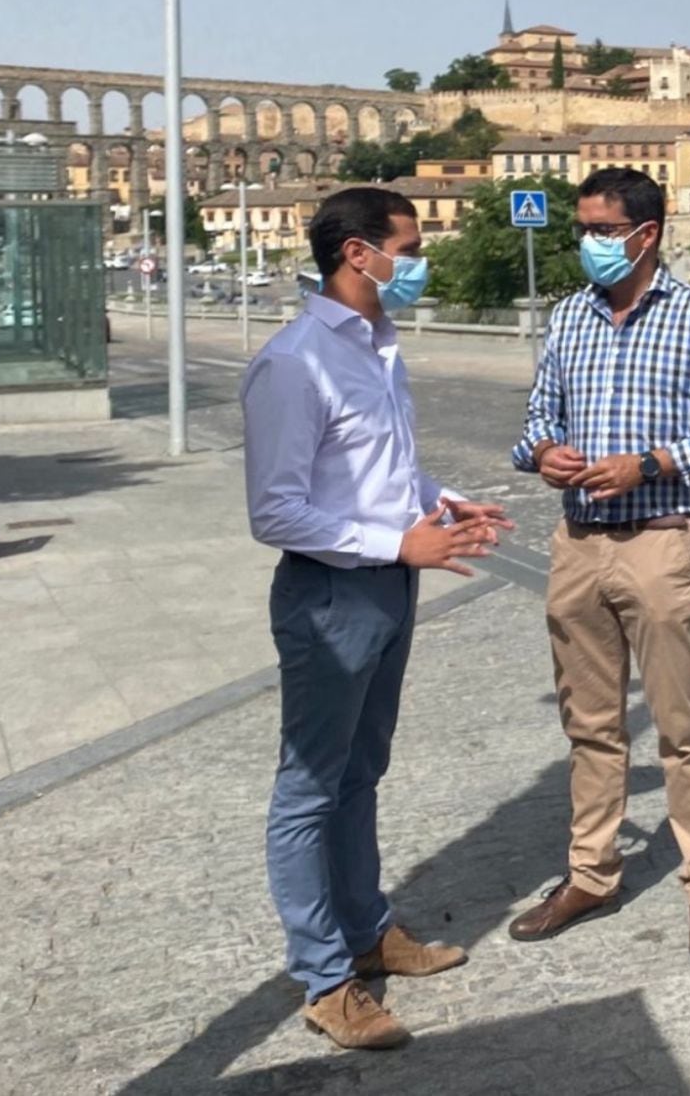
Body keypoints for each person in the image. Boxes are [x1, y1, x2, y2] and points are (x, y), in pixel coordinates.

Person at [241, 186, 512, 1050]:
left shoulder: (379, 349)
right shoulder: (296, 362)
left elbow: (379, 473)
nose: (419, 259)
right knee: (311, 786)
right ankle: (325, 979)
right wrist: (398, 546)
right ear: (359, 254)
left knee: (362, 772)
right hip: (332, 596)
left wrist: (442, 501)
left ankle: (369, 934)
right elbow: (276, 512)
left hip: (389, 586)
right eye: (411, 244)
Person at [509, 168, 690, 961]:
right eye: (581, 229)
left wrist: (652, 462)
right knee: (589, 724)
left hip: (661, 540)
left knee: (681, 724)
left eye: (601, 229)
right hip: (578, 544)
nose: (588, 244)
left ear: (645, 234)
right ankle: (592, 872)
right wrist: (543, 453)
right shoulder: (570, 318)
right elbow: (537, 417)